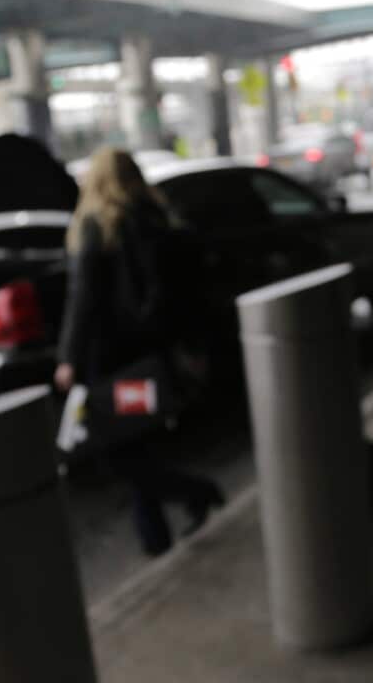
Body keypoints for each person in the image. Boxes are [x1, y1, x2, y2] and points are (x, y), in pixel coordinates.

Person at [55, 147, 223, 557]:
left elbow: (84, 298)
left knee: (117, 454)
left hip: (111, 357)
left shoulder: (97, 225)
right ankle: (156, 543)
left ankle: (196, 493)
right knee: (136, 442)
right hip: (151, 352)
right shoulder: (157, 217)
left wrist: (68, 357)